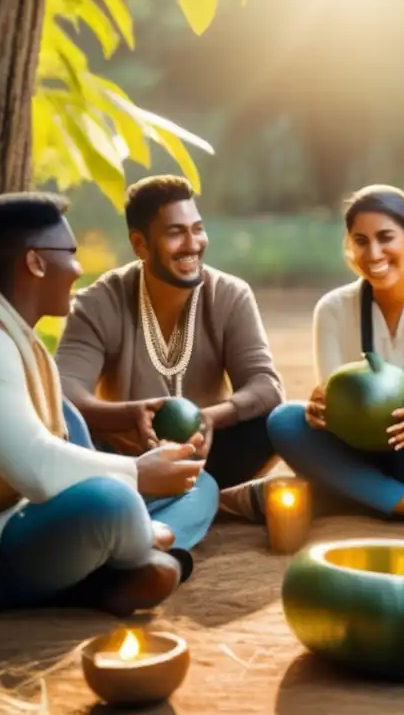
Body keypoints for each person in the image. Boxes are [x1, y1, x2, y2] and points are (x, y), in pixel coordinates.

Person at [0, 193, 207, 633]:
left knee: (199, 486)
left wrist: (143, 473)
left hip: (24, 522)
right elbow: (35, 467)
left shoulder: (21, 345)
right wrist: (136, 472)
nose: (78, 268)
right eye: (69, 255)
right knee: (110, 502)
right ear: (35, 263)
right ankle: (131, 550)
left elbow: (62, 450)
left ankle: (124, 555)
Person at [54, 175, 285, 522]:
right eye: (175, 232)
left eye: (197, 229)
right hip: (126, 457)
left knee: (278, 422)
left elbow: (265, 386)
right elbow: (64, 390)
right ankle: (204, 500)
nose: (192, 244)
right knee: (65, 426)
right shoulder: (99, 302)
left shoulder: (230, 295)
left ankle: (188, 498)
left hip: (205, 451)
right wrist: (128, 415)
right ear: (140, 244)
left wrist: (210, 418)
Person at [266, 184, 404, 522]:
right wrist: (320, 413)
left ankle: (355, 491)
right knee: (285, 420)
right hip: (355, 452)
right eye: (361, 241)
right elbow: (336, 409)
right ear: (349, 247)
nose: (374, 253)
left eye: (386, 237)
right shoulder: (333, 309)